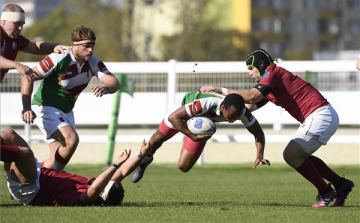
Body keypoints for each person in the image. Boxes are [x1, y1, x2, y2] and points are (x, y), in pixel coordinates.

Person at [200, 48, 354, 208]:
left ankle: (325, 192)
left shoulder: (271, 73)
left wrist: (220, 89)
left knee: (291, 155)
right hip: (320, 115)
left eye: (250, 69)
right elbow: (249, 107)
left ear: (260, 65)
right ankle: (341, 184)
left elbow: (252, 96)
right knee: (301, 157)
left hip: (320, 115)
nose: (250, 74)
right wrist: (215, 114)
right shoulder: (270, 82)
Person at [21, 25, 121, 171]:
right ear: (75, 45)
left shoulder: (93, 61)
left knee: (54, 159)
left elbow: (115, 83)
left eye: (93, 46)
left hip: (66, 111)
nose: (91, 50)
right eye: (86, 46)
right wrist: (26, 107)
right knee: (71, 139)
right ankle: (55, 181)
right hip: (45, 106)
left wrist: (106, 88)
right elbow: (28, 76)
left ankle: (27, 177)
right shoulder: (59, 57)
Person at [131, 90, 269, 183]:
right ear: (222, 108)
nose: (232, 120)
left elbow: (258, 133)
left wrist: (259, 155)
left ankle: (191, 136)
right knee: (156, 140)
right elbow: (174, 118)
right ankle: (145, 160)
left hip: (202, 123)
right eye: (231, 116)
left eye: (236, 117)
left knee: (183, 167)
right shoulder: (205, 103)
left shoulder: (242, 112)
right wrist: (191, 135)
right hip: (182, 111)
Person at [0, 128, 151, 206]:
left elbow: (95, 187)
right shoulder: (98, 188)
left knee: (25, 154)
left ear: (101, 193)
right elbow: (123, 171)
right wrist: (140, 155)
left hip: (31, 190)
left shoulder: (86, 199)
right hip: (41, 174)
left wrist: (115, 164)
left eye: (104, 186)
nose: (104, 182)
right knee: (9, 135)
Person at [0, 3, 68, 82]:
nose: (20, 28)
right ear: (4, 21)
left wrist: (54, 46)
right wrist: (17, 65)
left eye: (22, 24)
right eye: (16, 24)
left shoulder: (15, 39)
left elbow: (36, 47)